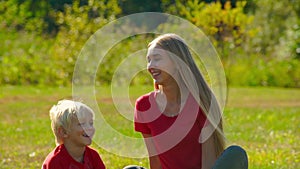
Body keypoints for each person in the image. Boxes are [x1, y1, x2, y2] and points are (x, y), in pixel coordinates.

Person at [133, 33, 248, 169]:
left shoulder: (203, 103)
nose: (150, 66)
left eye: (157, 59)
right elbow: (155, 162)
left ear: (177, 62)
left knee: (235, 153)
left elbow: (209, 162)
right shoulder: (144, 106)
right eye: (149, 60)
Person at [42, 100, 106, 169]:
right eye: (82, 124)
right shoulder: (55, 161)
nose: (89, 128)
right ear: (64, 132)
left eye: (91, 123)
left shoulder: (93, 156)